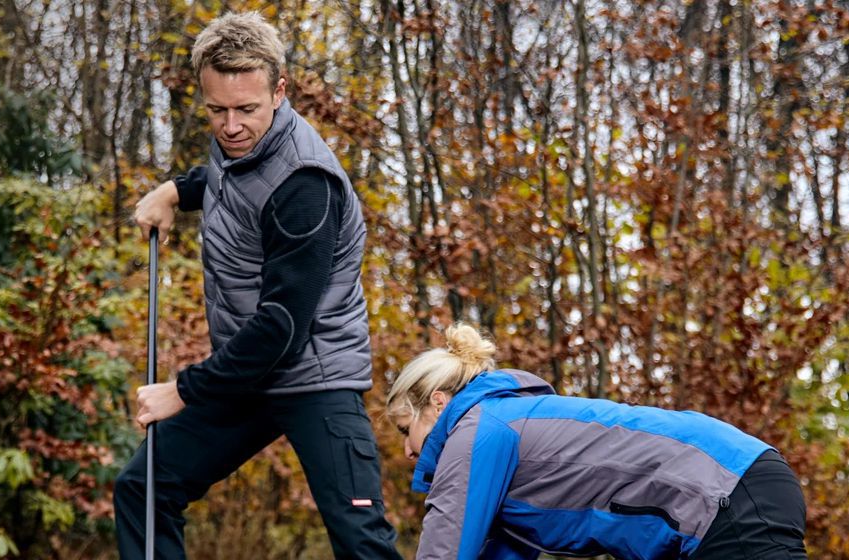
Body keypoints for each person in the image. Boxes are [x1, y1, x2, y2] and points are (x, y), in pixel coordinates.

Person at [120, 11, 403, 560]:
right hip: (249, 373)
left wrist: (182, 390)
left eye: (246, 109)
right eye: (217, 110)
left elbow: (283, 327)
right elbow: (235, 182)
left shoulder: (306, 185)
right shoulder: (242, 145)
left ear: (279, 91)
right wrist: (176, 190)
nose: (230, 126)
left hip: (315, 374)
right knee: (144, 488)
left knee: (361, 541)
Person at [384, 324, 808, 559]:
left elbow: (443, 552)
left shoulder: (478, 431)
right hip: (732, 488)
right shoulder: (499, 433)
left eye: (406, 429)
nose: (407, 450)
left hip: (726, 491)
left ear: (438, 404)